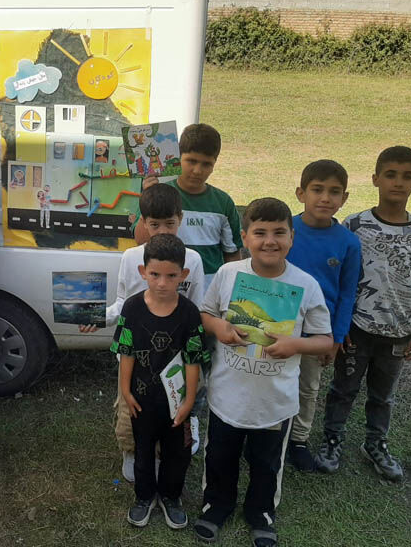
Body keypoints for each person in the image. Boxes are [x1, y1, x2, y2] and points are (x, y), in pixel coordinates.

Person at [193, 198, 332, 547]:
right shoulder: (228, 274)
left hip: (274, 402)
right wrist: (220, 328)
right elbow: (205, 314)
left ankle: (261, 513)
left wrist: (294, 344)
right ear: (244, 237)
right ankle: (216, 505)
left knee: (267, 463)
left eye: (279, 232)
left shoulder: (305, 285)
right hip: (228, 396)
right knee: (220, 456)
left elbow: (325, 340)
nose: (270, 241)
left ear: (292, 237)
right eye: (260, 233)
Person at [315, 146, 411, 482]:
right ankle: (332, 439)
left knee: (383, 395)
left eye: (407, 176)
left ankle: (375, 443)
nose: (398, 182)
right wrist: (339, 326)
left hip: (399, 331)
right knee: (343, 388)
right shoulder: (355, 225)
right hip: (357, 328)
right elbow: (340, 278)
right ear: (375, 179)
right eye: (390, 174)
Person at [81, 183, 206, 482]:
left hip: (175, 357)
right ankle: (132, 449)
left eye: (169, 224)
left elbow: (197, 311)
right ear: (143, 222)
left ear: (181, 218)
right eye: (154, 224)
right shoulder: (130, 258)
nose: (162, 231)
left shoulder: (193, 260)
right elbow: (122, 303)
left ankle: (174, 442)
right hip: (137, 357)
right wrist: (97, 317)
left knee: (173, 406)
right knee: (133, 407)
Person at [110, 233, 208, 530]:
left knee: (177, 453)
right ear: (143, 272)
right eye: (155, 274)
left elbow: (193, 359)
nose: (162, 283)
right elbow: (126, 351)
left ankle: (171, 497)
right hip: (141, 400)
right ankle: (144, 497)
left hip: (177, 402)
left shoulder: (190, 313)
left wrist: (189, 401)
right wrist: (126, 392)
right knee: (142, 450)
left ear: (184, 274)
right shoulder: (132, 308)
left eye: (171, 276)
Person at [284, 160, 361, 472]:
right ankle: (268, 432)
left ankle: (298, 440)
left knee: (308, 387)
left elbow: (347, 293)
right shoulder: (284, 230)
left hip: (317, 333)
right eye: (317, 189)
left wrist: (335, 338)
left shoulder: (348, 242)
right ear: (301, 193)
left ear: (344, 198)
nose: (325, 198)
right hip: (278, 324)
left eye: (334, 192)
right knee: (272, 380)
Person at [137, 123, 242, 293]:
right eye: (191, 161)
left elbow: (232, 254)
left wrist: (231, 292)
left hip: (208, 293)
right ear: (178, 157)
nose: (197, 170)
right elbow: (140, 240)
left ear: (215, 163)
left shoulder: (223, 203)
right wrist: (149, 197)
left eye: (206, 164)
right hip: (163, 289)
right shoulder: (159, 194)